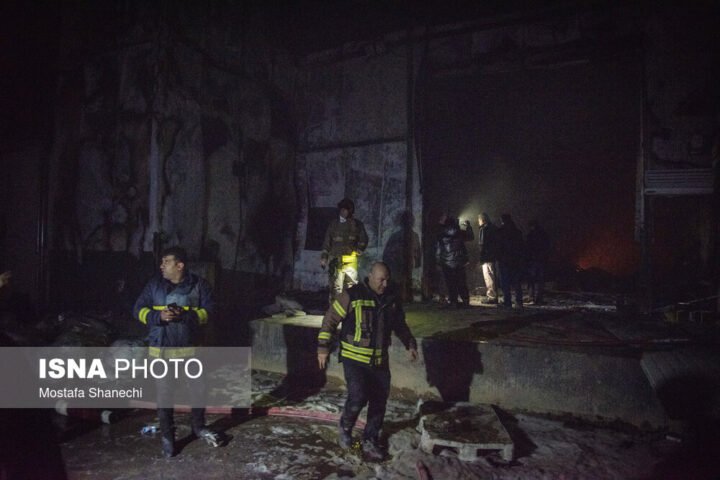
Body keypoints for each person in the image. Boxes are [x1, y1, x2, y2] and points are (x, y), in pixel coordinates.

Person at [317, 262, 418, 461]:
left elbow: (399, 323)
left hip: (380, 361)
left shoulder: (391, 298)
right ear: (370, 276)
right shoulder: (352, 295)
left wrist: (410, 343)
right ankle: (345, 429)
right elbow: (330, 319)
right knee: (358, 397)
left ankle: (370, 439)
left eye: (387, 280)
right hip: (354, 360)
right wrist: (322, 347)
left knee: (379, 401)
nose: (385, 284)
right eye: (381, 280)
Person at [133, 246, 219, 457]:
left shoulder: (199, 285)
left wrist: (185, 316)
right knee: (164, 395)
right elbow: (138, 310)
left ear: (179, 265)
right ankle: (168, 438)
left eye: (166, 262)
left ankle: (198, 427)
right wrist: (157, 317)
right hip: (161, 352)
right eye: (162, 262)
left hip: (191, 352)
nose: (161, 266)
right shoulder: (154, 285)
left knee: (198, 391)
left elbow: (210, 312)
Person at [320, 198, 369, 304]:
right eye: (343, 209)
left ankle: (349, 309)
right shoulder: (333, 224)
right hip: (335, 260)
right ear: (340, 210)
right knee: (335, 287)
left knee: (351, 287)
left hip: (350, 260)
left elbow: (364, 239)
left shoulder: (357, 224)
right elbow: (327, 242)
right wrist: (324, 258)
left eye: (348, 210)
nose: (345, 212)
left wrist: (358, 250)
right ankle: (334, 310)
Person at [435, 213, 474, 308]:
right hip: (459, 261)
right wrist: (468, 226)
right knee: (461, 281)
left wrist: (438, 261)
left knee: (451, 283)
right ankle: (465, 301)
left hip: (446, 262)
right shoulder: (459, 232)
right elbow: (470, 237)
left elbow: (438, 249)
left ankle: (453, 301)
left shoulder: (441, 234)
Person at [497, 214, 524, 309]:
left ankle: (507, 302)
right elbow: (521, 246)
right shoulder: (517, 231)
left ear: (502, 220)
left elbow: (498, 246)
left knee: (505, 282)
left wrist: (498, 256)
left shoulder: (501, 232)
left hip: (504, 260)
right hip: (515, 260)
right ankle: (519, 302)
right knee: (517, 282)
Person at [525, 220, 552, 304]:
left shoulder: (530, 235)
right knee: (540, 280)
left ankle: (531, 297)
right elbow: (548, 246)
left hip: (533, 260)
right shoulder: (543, 234)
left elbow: (527, 248)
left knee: (531, 279)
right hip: (541, 260)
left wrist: (528, 258)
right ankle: (539, 298)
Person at [476, 213, 499, 304]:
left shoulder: (484, 229)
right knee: (493, 276)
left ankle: (492, 297)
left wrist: (481, 257)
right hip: (494, 256)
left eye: (479, 220)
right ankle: (494, 296)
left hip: (487, 257)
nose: (478, 222)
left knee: (488, 277)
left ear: (482, 220)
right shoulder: (494, 228)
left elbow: (482, 244)